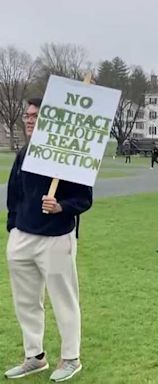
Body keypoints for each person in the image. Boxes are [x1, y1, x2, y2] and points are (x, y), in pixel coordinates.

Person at [4, 98, 93, 382]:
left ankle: (71, 358)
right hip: (23, 235)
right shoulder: (23, 153)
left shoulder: (67, 155)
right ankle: (35, 356)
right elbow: (15, 193)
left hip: (56, 237)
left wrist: (61, 207)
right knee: (26, 301)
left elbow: (84, 199)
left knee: (64, 299)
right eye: (27, 116)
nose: (29, 120)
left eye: (35, 115)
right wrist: (14, 226)